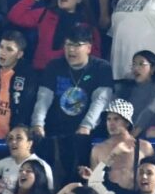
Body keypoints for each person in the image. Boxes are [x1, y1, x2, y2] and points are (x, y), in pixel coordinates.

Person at [30, 24, 114, 182]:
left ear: (89, 48)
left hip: (86, 134)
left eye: (77, 45)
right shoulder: (54, 66)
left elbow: (101, 100)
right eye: (68, 44)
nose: (71, 50)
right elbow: (44, 97)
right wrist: (38, 123)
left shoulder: (101, 68)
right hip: (56, 131)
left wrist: (86, 126)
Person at [8, 0, 101, 72]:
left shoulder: (87, 25)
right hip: (41, 70)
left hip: (71, 73)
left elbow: (95, 54)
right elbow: (15, 16)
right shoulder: (45, 14)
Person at [0, 31, 39, 144]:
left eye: (9, 49)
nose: (2, 52)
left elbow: (27, 109)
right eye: (1, 47)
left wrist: (15, 134)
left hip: (17, 139)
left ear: (19, 54)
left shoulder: (28, 74)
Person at [87, 99, 155, 192]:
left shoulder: (144, 147)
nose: (111, 123)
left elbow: (154, 179)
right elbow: (93, 183)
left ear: (127, 122)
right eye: (108, 119)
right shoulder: (98, 149)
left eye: (116, 119)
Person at [0, 125, 54, 194]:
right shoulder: (7, 161)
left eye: (19, 138)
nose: (13, 141)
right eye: (10, 138)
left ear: (29, 143)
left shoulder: (41, 165)